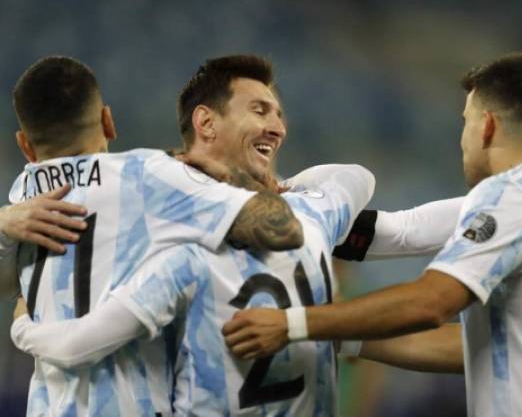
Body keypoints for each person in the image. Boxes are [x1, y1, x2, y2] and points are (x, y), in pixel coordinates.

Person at [222, 52, 522, 416]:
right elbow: (403, 233)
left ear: (486, 125)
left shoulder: (517, 195)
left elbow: (431, 303)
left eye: (465, 121)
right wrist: (294, 206)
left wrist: (294, 324)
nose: (463, 140)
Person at [3, 54, 303, 417]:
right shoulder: (147, 175)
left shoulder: (22, 197)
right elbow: (283, 229)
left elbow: (7, 289)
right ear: (108, 122)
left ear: (24, 144)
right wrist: (220, 174)